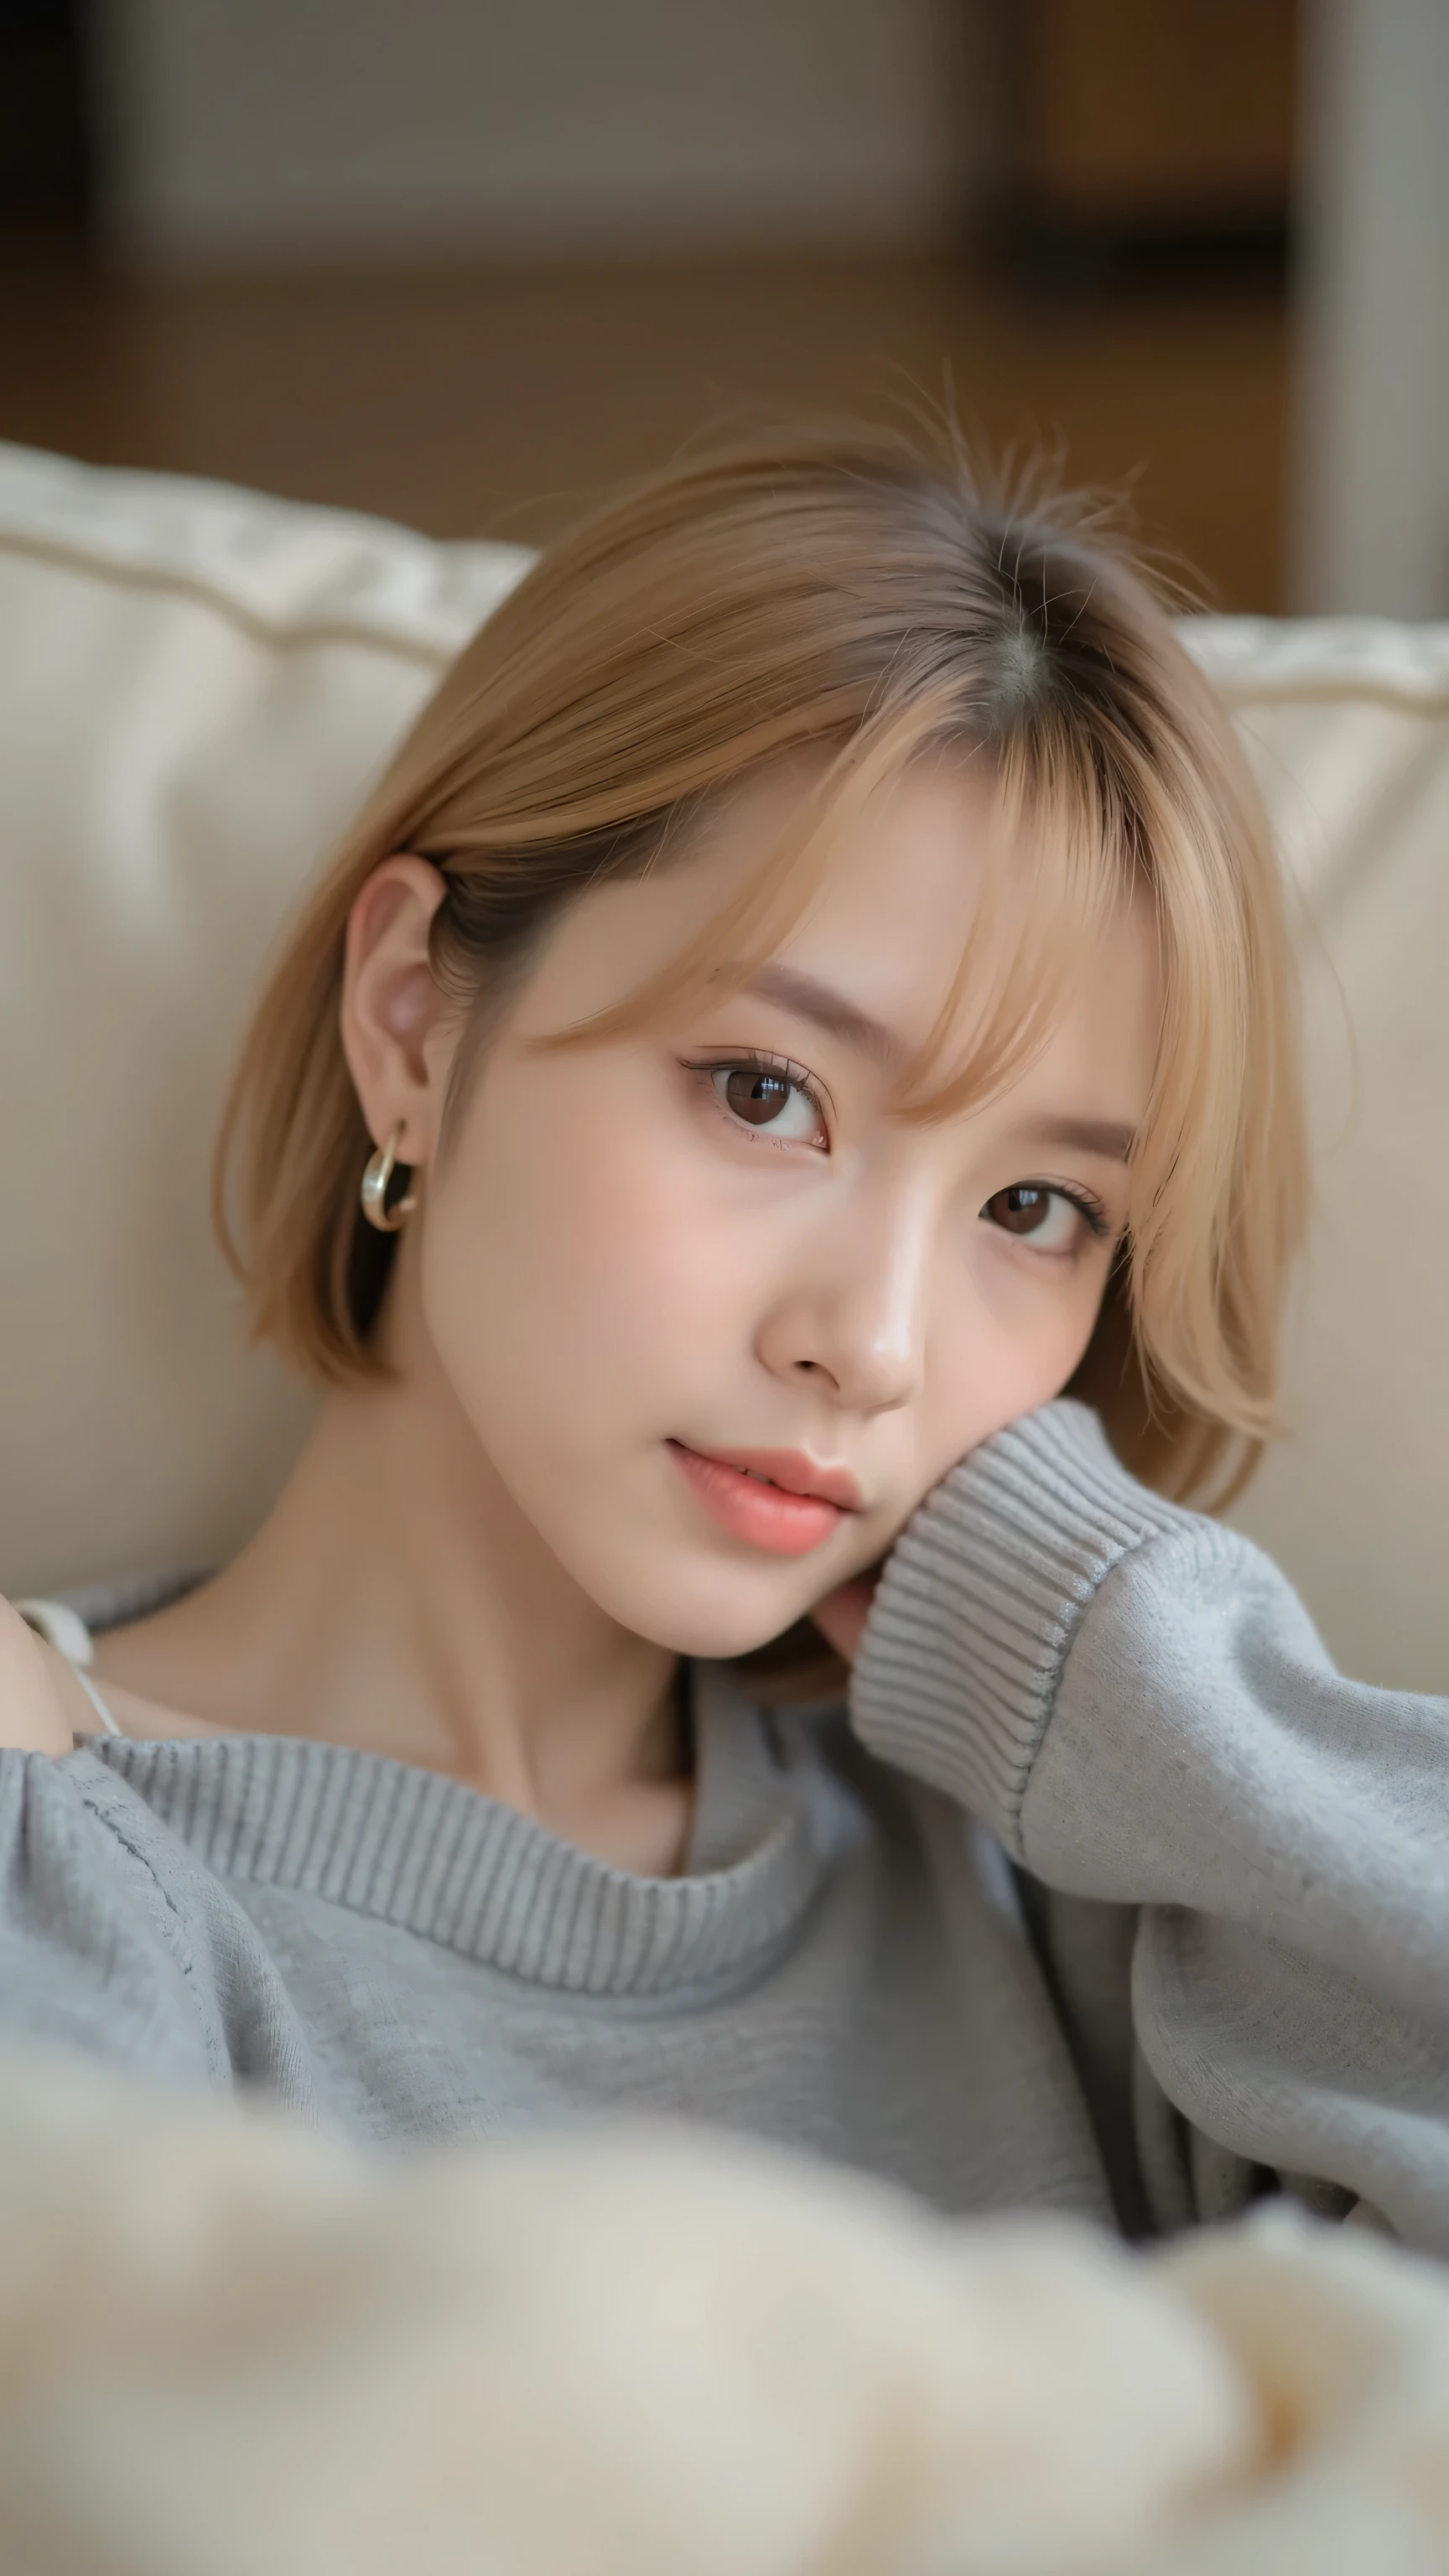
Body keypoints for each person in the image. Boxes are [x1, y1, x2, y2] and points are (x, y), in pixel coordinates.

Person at [3, 431, 1444, 2251]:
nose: (881, 1345)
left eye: (1035, 1211)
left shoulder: (1076, 1862)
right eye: (767, 1093)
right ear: (412, 1024)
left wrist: (1120, 1661)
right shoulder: (58, 1823)